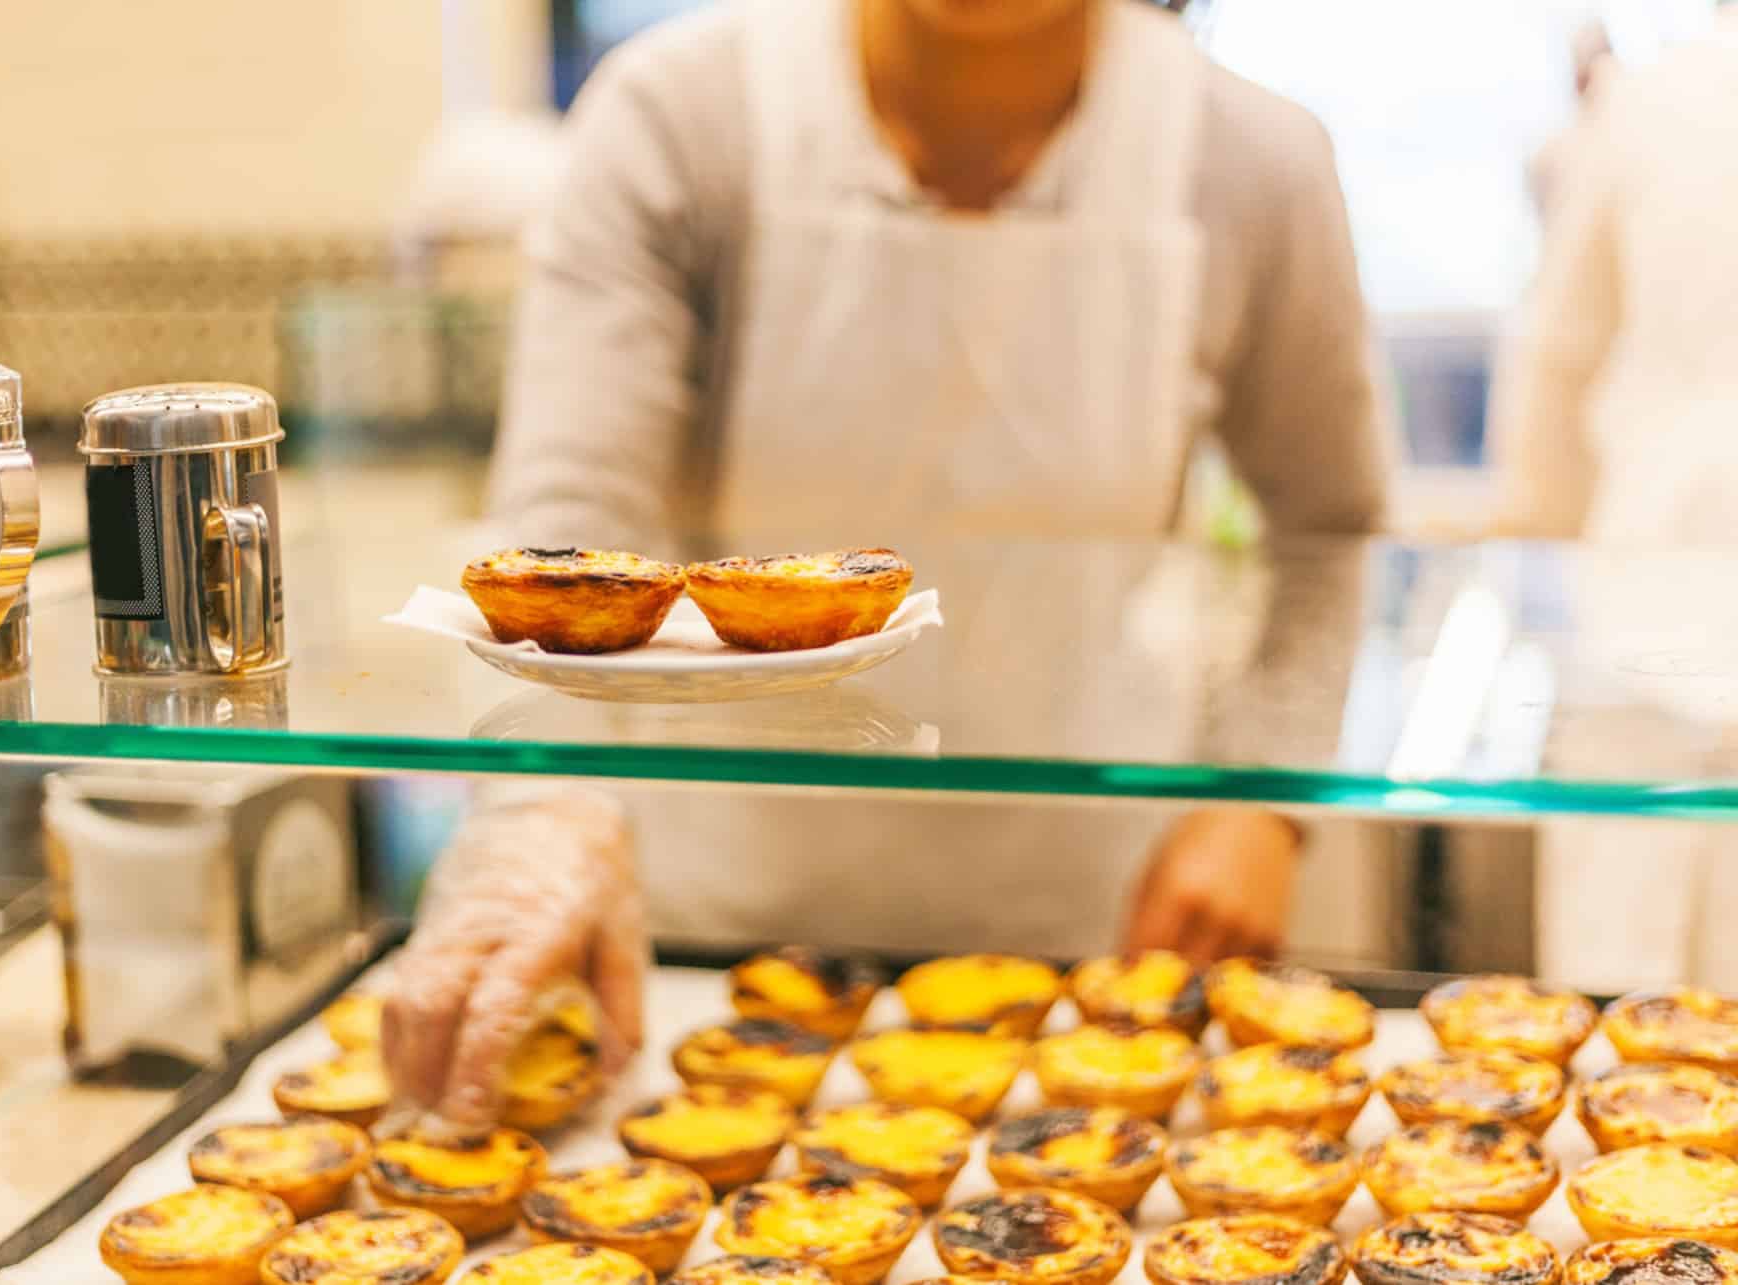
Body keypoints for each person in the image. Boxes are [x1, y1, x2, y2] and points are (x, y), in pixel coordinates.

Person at [384, 0, 1390, 1137]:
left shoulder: (1251, 158)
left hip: (1092, 939)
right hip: (712, 951)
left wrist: (1259, 800)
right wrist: (540, 813)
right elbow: (564, 541)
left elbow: (1330, 530)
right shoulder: (683, 113)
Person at [1488, 5, 1738, 992]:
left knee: (1630, 1052)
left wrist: (1544, 555)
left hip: (1646, 641)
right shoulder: (1655, 99)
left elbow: (1554, 369)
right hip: (1645, 657)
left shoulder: (1658, 101)